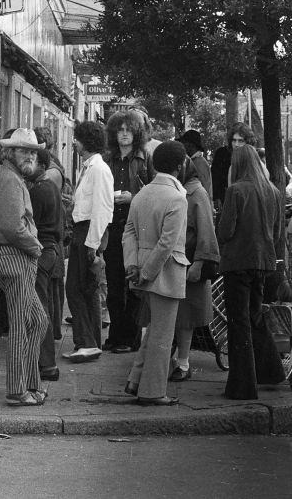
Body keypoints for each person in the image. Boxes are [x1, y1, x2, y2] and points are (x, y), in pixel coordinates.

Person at [0, 128, 47, 406]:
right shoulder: (9, 179)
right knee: (22, 325)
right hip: (13, 255)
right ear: (11, 152)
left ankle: (30, 384)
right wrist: (35, 246)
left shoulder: (11, 177)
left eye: (33, 151)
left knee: (38, 321)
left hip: (12, 254)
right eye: (24, 150)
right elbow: (11, 226)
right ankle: (17, 389)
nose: (31, 155)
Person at [218, 144, 287, 400]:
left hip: (238, 262)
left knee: (239, 321)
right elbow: (278, 232)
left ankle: (242, 385)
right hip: (263, 261)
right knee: (255, 316)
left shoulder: (236, 191)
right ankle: (270, 371)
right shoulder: (272, 191)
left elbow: (225, 231)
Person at [123, 141, 189, 406]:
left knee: (153, 330)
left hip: (140, 268)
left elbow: (129, 233)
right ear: (181, 164)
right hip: (166, 272)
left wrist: (133, 267)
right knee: (163, 334)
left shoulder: (141, 194)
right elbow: (167, 243)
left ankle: (136, 379)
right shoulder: (177, 197)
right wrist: (147, 272)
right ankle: (152, 391)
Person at [103, 110, 154, 354]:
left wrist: (132, 198)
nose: (124, 134)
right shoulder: (107, 159)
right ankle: (115, 335)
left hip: (135, 227)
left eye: (128, 130)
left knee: (133, 283)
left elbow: (154, 192)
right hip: (112, 226)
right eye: (120, 130)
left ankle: (130, 338)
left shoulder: (146, 159)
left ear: (136, 133)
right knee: (113, 285)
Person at [63, 120, 114, 363]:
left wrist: (92, 244)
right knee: (87, 288)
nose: (74, 142)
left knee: (74, 288)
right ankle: (91, 341)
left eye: (77, 138)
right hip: (84, 231)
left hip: (87, 232)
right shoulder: (90, 167)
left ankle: (86, 342)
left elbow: (103, 208)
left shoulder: (98, 169)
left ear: (87, 141)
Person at [170, 158, 219, 382]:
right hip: (176, 262)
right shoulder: (178, 190)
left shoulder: (196, 194)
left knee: (186, 317)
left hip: (189, 262)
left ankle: (183, 362)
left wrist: (199, 263)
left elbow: (206, 230)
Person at [27, 146, 64, 382]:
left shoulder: (39, 189)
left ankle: (46, 363)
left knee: (39, 310)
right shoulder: (49, 186)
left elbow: (31, 223)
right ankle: (46, 362)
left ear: (40, 164)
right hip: (50, 251)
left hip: (42, 250)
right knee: (44, 307)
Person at [212, 122, 257, 207]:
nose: (236, 144)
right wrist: (217, 198)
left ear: (248, 142)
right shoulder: (222, 154)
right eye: (234, 140)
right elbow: (215, 179)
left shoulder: (255, 161)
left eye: (240, 141)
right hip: (226, 203)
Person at [177, 129, 212, 199]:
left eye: (184, 143)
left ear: (190, 145)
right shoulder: (195, 162)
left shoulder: (200, 163)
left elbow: (204, 190)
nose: (182, 146)